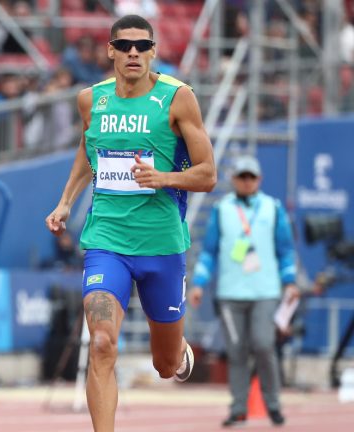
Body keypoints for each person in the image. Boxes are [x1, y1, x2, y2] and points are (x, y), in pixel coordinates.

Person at [44, 15, 216, 432]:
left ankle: (179, 353)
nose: (133, 53)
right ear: (110, 50)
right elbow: (89, 151)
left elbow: (208, 174)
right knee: (101, 343)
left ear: (154, 51)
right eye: (124, 45)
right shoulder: (92, 100)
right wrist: (66, 201)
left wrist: (165, 178)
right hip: (107, 240)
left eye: (141, 46)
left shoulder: (178, 98)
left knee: (165, 364)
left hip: (161, 245)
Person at [189, 155, 299, 427]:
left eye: (252, 177)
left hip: (265, 291)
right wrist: (199, 283)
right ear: (233, 179)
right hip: (229, 293)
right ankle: (238, 408)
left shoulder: (273, 208)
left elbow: (285, 250)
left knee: (263, 345)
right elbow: (209, 252)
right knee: (236, 351)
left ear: (259, 179)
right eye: (242, 177)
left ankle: (272, 404)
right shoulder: (221, 209)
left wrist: (291, 281)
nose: (247, 181)